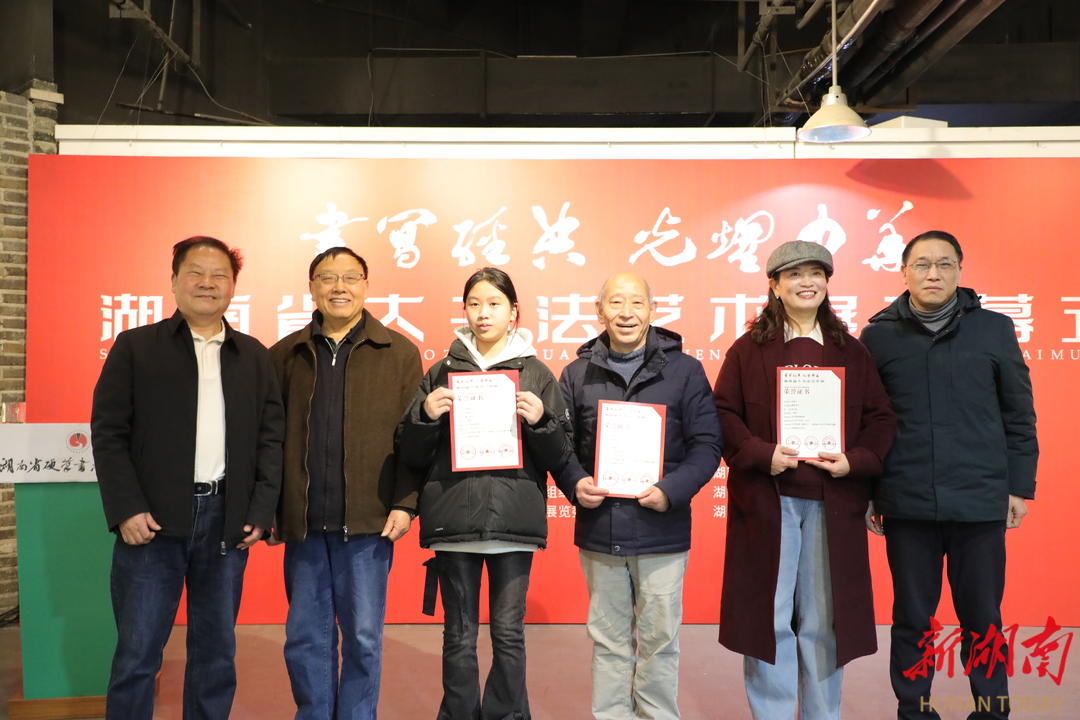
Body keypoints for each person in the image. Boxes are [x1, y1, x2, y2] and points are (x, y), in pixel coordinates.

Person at [91, 236, 284, 720]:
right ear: (174, 281)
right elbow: (109, 433)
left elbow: (271, 440)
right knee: (137, 654)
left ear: (233, 286)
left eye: (219, 275)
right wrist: (126, 508)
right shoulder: (136, 347)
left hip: (226, 522)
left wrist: (260, 510)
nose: (207, 283)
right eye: (195, 272)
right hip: (151, 522)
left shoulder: (254, 356)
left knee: (216, 653)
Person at [712, 240, 897, 720]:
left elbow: (881, 419)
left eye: (816, 273)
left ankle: (821, 713)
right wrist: (762, 454)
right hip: (768, 499)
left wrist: (854, 461)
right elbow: (723, 415)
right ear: (774, 285)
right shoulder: (747, 350)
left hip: (831, 501)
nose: (806, 282)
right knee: (768, 618)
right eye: (794, 274)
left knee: (824, 621)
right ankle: (772, 713)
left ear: (827, 284)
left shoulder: (851, 351)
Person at [860, 231, 1038, 720]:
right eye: (921, 264)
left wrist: (1018, 486)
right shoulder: (878, 336)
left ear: (960, 269)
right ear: (904, 272)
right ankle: (915, 711)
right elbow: (867, 423)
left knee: (983, 619)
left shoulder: (994, 329)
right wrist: (871, 493)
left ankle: (991, 711)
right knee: (912, 619)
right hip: (907, 500)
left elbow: (1018, 413)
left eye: (944, 264)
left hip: (979, 499)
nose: (933, 274)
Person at [398, 267, 574, 720]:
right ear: (464, 310)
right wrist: (425, 415)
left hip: (512, 524)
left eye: (494, 304)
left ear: (513, 311)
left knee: (508, 633)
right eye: (474, 304)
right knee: (458, 635)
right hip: (453, 520)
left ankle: (506, 714)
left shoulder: (536, 374)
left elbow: (560, 455)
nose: (483, 313)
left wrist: (542, 421)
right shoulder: (441, 372)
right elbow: (410, 453)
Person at [553, 272, 722, 720]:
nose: (626, 313)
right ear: (599, 311)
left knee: (660, 642)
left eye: (636, 303)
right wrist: (575, 483)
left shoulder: (685, 371)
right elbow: (560, 447)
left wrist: (671, 491)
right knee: (608, 641)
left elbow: (707, 445)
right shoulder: (576, 374)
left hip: (662, 531)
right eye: (615, 303)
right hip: (600, 530)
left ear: (652, 310)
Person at [269, 246, 423, 720]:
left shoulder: (398, 353)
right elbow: (268, 440)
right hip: (304, 525)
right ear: (312, 287)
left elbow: (415, 438)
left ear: (366, 286)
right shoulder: (286, 355)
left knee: (363, 638)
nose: (339, 287)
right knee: (304, 639)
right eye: (328, 278)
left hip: (369, 525)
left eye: (350, 277)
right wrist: (269, 508)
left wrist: (406, 502)